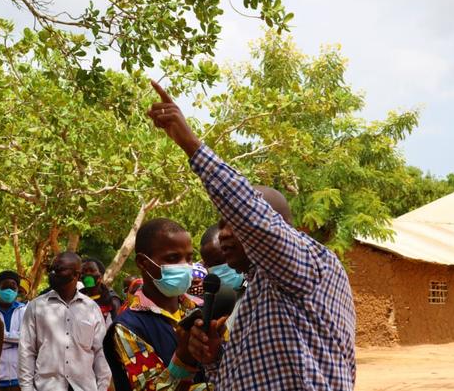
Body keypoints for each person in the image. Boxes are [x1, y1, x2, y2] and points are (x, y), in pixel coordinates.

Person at [147, 80, 356, 390]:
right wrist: (214, 356)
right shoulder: (256, 291)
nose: (225, 234)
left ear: (281, 229)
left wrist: (191, 145)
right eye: (222, 224)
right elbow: (247, 376)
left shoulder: (309, 263)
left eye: (234, 223)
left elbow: (255, 220)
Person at [103, 218, 206, 391]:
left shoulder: (198, 309)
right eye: (173, 258)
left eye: (189, 258)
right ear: (143, 263)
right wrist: (184, 356)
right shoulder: (127, 327)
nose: (184, 266)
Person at [18, 252, 111, 391]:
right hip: (47, 387)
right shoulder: (36, 306)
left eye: (59, 270)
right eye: (52, 269)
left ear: (76, 275)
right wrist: (27, 388)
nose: (53, 273)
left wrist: (102, 387)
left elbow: (101, 352)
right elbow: (26, 350)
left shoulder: (91, 308)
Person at [0, 270, 27, 391]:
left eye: (13, 287)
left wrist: (1, 339)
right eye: (5, 287)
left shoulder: (24, 310)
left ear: (17, 290)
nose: (9, 291)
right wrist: (17, 341)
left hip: (20, 378)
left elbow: (28, 338)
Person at [80, 258, 122, 327]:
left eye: (91, 271)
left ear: (101, 276)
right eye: (83, 272)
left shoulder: (112, 299)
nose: (87, 274)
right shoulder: (76, 296)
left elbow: (117, 326)